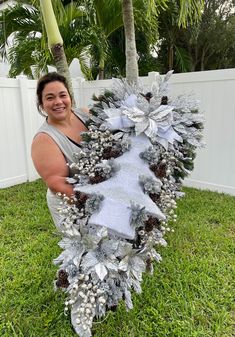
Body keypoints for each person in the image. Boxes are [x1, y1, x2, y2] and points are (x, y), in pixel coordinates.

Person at [31, 72, 89, 228]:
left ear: (70, 97)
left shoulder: (86, 115)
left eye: (62, 95)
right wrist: (98, 206)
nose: (58, 102)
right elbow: (58, 184)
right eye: (50, 98)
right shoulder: (44, 140)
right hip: (71, 203)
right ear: (42, 104)